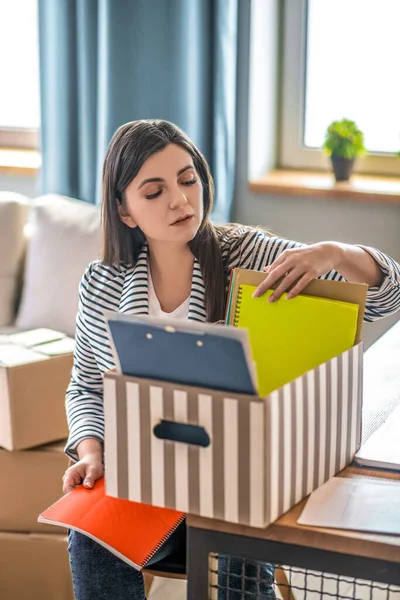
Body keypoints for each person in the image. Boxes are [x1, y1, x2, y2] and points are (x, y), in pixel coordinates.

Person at [63, 119, 400, 600]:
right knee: (88, 534)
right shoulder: (103, 282)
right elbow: (87, 388)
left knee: (242, 548)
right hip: (147, 475)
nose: (180, 200)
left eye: (188, 179)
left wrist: (335, 253)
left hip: (240, 476)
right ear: (125, 211)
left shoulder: (247, 253)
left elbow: (391, 297)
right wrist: (92, 452)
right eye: (154, 192)